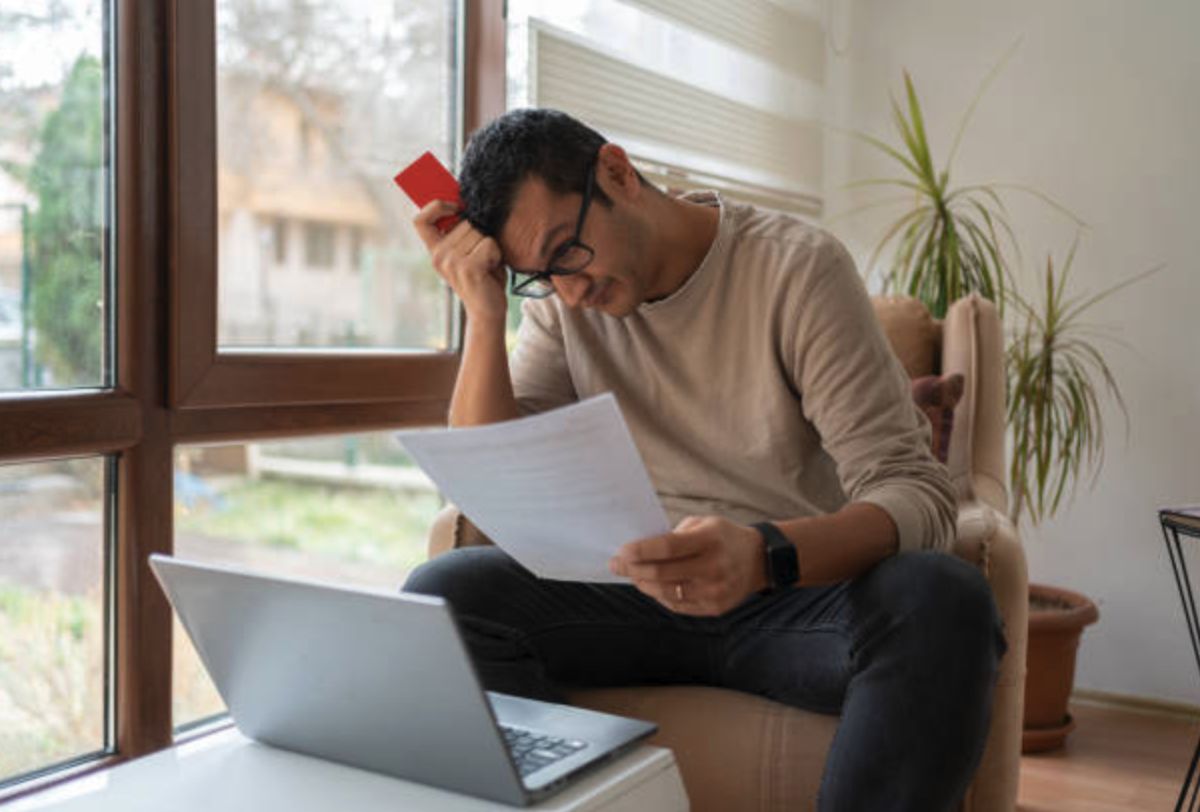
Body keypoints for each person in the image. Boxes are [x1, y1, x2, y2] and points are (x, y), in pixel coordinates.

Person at [403, 108, 1006, 811]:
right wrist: (484, 310)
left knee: (943, 599)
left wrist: (763, 555)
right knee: (443, 598)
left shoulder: (794, 268)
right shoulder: (562, 305)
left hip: (794, 600)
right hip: (631, 596)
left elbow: (916, 493)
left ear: (618, 173)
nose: (570, 292)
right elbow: (494, 472)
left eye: (567, 252)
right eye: (538, 277)